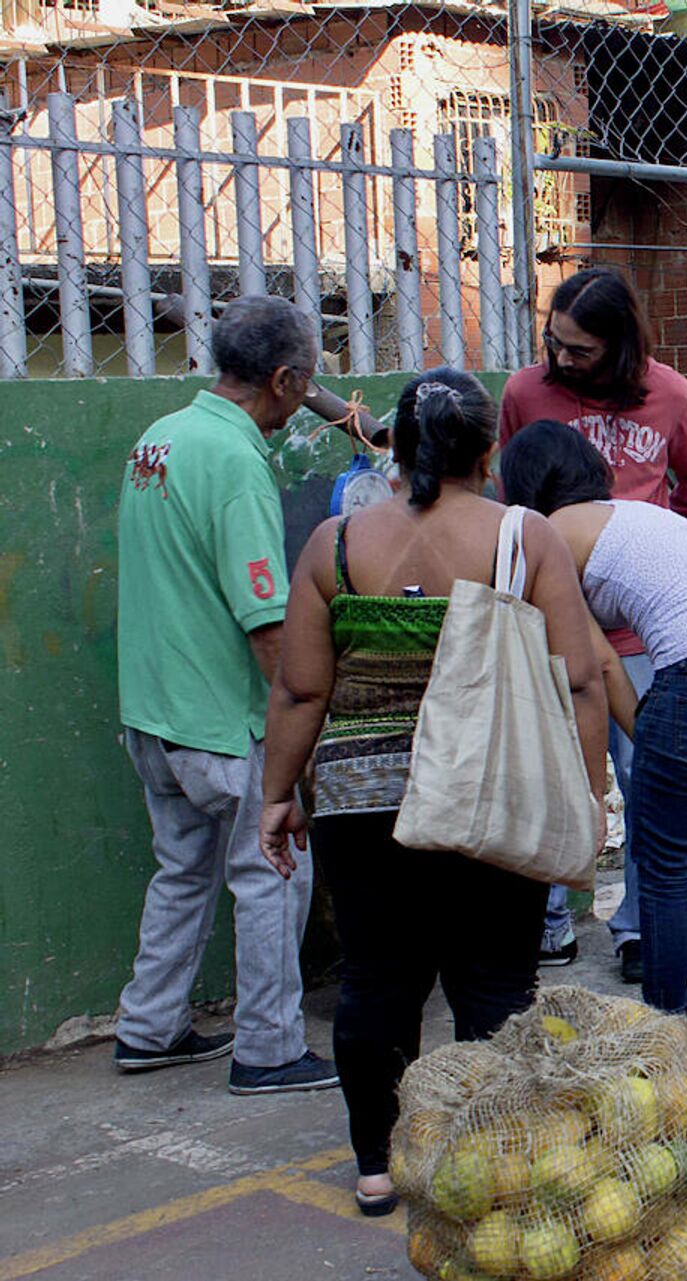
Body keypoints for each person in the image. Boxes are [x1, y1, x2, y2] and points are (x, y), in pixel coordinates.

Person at [261, 369, 607, 1214]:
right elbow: (582, 682)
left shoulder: (335, 544)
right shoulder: (525, 537)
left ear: (397, 449)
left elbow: (301, 691)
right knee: (494, 979)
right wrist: (590, 798)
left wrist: (277, 794)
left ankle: (378, 1165)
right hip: (493, 789)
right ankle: (493, 1153)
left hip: (360, 795)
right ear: (490, 453)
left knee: (377, 979)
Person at [111, 294, 339, 1097]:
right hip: (220, 719)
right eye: (301, 387)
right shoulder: (237, 462)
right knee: (276, 868)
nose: (298, 405)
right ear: (281, 379)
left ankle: (150, 1024)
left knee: (182, 870)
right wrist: (300, 736)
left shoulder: (160, 438)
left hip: (152, 713)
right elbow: (268, 625)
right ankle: (271, 1047)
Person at [500, 421, 687, 1025]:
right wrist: (657, 739)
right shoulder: (636, 513)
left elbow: (598, 663)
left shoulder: (548, 532)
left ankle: (661, 1031)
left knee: (662, 867)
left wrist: (639, 748)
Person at [500, 267, 687, 972]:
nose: (562, 360)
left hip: (636, 633)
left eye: (580, 350)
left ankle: (640, 923)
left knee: (647, 772)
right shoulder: (526, 393)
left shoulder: (670, 393)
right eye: (554, 343)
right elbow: (508, 503)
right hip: (543, 623)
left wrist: (640, 575)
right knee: (546, 771)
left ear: (621, 346)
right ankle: (547, 918)